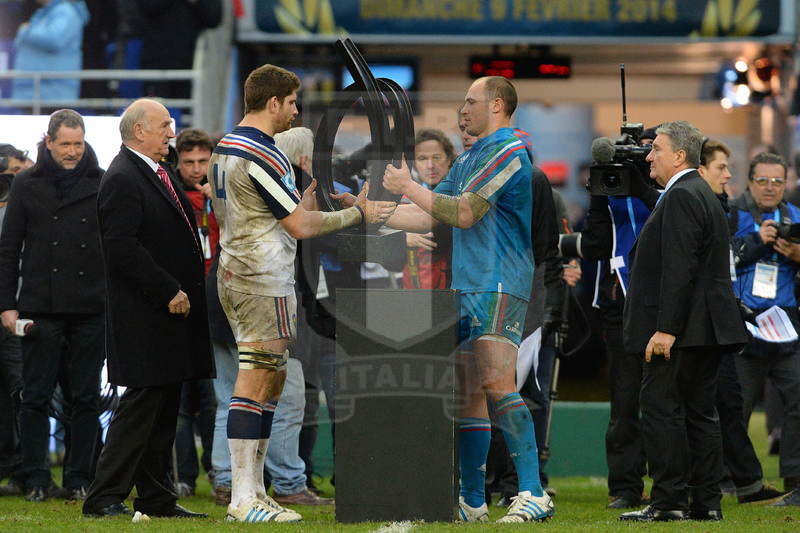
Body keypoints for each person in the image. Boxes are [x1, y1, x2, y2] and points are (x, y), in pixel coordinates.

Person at [208, 64, 395, 523]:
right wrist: (360, 214)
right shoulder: (261, 152)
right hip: (261, 277)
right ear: (273, 102)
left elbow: (260, 216)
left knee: (267, 381)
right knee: (255, 381)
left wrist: (304, 200)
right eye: (292, 102)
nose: (295, 110)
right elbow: (300, 225)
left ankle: (252, 490)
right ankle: (244, 496)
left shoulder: (224, 148)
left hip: (239, 268)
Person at [383, 76, 552, 523]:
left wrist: (405, 185)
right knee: (467, 395)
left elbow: (461, 212)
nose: (462, 109)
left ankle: (534, 493)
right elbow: (426, 212)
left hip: (499, 283)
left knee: (498, 385)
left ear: (497, 105)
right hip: (467, 285)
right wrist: (363, 210)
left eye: (470, 101)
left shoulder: (509, 151)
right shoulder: (474, 154)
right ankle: (473, 502)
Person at [82, 99, 214, 518]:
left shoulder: (154, 171)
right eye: (165, 126)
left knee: (162, 409)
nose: (171, 133)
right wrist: (167, 290)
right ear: (139, 131)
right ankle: (103, 495)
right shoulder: (123, 177)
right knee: (141, 408)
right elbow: (121, 247)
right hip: (146, 315)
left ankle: (157, 499)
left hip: (166, 318)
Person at [621, 121, 748, 522]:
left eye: (656, 148)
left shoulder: (681, 196)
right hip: (704, 328)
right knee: (700, 413)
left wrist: (666, 329)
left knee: (662, 410)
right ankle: (706, 503)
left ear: (679, 156)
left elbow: (679, 268)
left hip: (682, 331)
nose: (648, 155)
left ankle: (668, 501)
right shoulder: (699, 192)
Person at [0, 109, 105, 502]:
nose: (73, 151)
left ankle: (80, 477)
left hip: (90, 304)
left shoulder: (101, 181)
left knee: (86, 396)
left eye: (78, 144)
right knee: (34, 396)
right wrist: (6, 305)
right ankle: (36, 477)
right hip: (40, 306)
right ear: (49, 141)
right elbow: (9, 250)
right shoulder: (26, 184)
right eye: (65, 144)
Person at [558, 130, 661, 509]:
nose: (643, 162)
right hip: (617, 301)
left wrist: (641, 186)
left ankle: (671, 483)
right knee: (623, 400)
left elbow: (668, 215)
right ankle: (625, 486)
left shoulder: (671, 189)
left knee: (667, 400)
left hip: (662, 303)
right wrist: (599, 192)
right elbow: (598, 244)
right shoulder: (608, 188)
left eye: (648, 154)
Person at [697, 140, 784, 505]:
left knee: (728, 404)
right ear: (702, 170)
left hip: (734, 320)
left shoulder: (720, 207)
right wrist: (755, 242)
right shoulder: (709, 208)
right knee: (716, 406)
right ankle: (707, 484)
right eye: (722, 168)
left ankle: (745, 482)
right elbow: (723, 257)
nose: (728, 175)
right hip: (709, 323)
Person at [727, 151, 800, 507]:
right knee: (734, 406)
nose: (770, 188)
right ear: (749, 182)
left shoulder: (796, 217)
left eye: (777, 181)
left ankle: (795, 476)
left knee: (799, 397)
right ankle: (732, 480)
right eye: (763, 181)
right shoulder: (733, 213)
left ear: (786, 184)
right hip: (744, 323)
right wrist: (758, 241)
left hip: (786, 324)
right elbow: (720, 261)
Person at [169, 128, 218, 497]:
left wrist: (218, 203)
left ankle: (219, 471)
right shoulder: (168, 196)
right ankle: (183, 477)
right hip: (178, 308)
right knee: (181, 403)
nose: (197, 169)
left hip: (216, 307)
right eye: (189, 162)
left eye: (203, 162)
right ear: (178, 162)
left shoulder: (224, 197)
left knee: (216, 400)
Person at [403, 129, 455, 289]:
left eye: (437, 157)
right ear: (414, 164)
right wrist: (402, 237)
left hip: (453, 291)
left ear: (449, 159)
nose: (430, 165)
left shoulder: (462, 195)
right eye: (422, 158)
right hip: (414, 291)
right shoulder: (405, 200)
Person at [12, 0, 90, 101]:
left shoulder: (66, 11)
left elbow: (54, 39)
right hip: (34, 92)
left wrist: (26, 31)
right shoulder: (47, 11)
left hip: (51, 93)